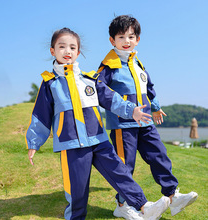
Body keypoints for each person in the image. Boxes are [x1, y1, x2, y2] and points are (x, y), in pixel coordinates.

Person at [26, 27, 171, 220]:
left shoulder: (90, 79)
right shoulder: (50, 84)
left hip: (99, 140)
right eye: (62, 47)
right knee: (77, 189)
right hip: (72, 145)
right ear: (53, 51)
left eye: (72, 47)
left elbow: (113, 99)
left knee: (121, 174)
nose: (67, 51)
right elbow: (40, 115)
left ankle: (145, 207)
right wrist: (34, 143)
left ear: (78, 52)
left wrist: (132, 111)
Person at [96, 15, 198, 218]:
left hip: (146, 122)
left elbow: (149, 88)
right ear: (112, 41)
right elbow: (100, 92)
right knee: (125, 166)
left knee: (159, 154)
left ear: (138, 39)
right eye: (121, 37)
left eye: (131, 36)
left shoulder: (138, 65)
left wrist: (157, 107)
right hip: (123, 125)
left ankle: (173, 196)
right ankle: (122, 205)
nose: (127, 41)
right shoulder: (108, 67)